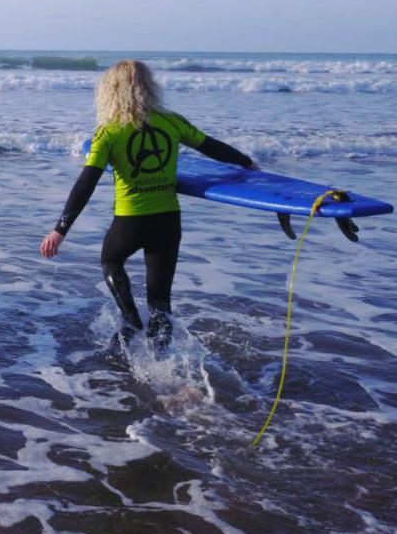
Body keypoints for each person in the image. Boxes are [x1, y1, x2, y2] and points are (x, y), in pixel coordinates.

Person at [39, 60, 256, 348]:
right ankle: (162, 368)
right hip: (168, 220)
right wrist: (247, 162)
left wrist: (60, 229)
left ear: (110, 91)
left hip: (130, 221)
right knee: (160, 302)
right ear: (149, 87)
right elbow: (212, 147)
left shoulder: (109, 132)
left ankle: (129, 318)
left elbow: (86, 182)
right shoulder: (173, 122)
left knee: (111, 261)